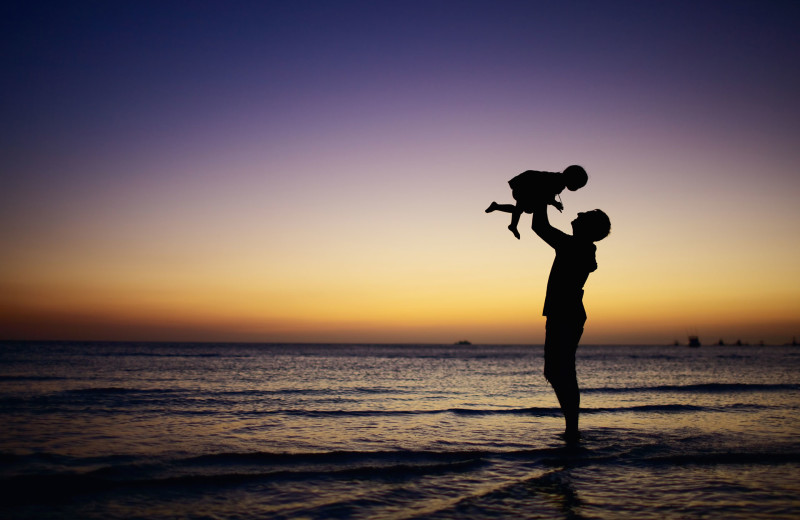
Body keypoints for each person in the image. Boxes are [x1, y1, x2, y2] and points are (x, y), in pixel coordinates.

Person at [531, 200, 610, 443]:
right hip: (566, 313)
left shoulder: (573, 245)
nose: (577, 213)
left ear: (588, 228)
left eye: (583, 215)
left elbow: (539, 226)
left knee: (559, 371)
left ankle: (572, 430)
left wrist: (542, 197)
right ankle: (571, 428)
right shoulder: (580, 246)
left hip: (565, 314)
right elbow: (540, 226)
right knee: (559, 370)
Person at [485, 165, 588, 239]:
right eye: (578, 185)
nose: (576, 188)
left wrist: (554, 203)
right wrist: (554, 203)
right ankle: (512, 225)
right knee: (520, 209)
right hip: (525, 185)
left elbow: (547, 195)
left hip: (526, 185)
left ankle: (498, 209)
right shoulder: (558, 182)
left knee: (519, 209)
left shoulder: (559, 181)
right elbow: (545, 193)